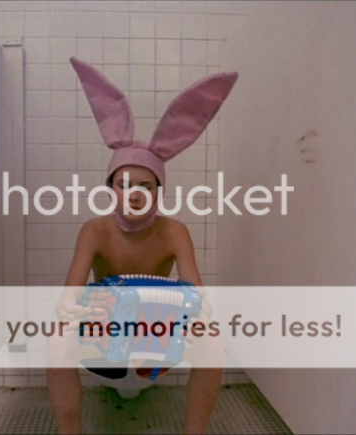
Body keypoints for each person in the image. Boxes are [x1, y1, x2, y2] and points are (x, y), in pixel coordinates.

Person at [46, 57, 238, 434]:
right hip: (106, 323)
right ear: (110, 190)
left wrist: (201, 310)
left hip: (156, 327)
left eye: (145, 187)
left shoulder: (174, 232)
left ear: (159, 192)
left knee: (213, 342)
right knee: (56, 342)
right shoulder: (95, 230)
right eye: (123, 185)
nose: (133, 194)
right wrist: (68, 306)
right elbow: (72, 291)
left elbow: (194, 289)